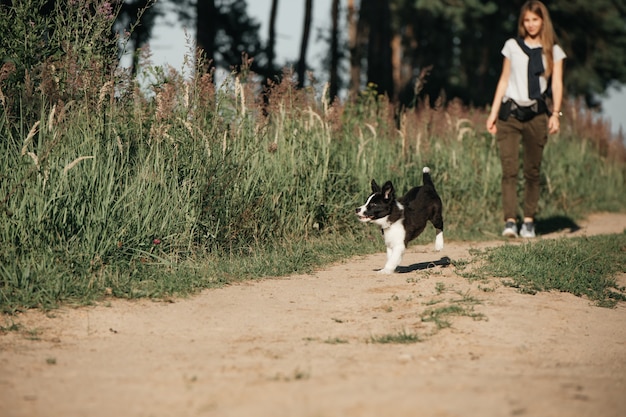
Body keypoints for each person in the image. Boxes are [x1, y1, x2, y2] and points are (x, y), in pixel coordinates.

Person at [486, 0, 566, 238]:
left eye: (535, 19)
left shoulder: (554, 50)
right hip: (509, 114)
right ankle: (510, 221)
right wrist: (492, 114)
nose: (531, 24)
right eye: (527, 20)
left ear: (543, 21)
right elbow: (503, 79)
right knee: (509, 170)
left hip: (537, 115)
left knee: (532, 170)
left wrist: (556, 114)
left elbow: (557, 84)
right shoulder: (512, 46)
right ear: (522, 23)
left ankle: (528, 221)